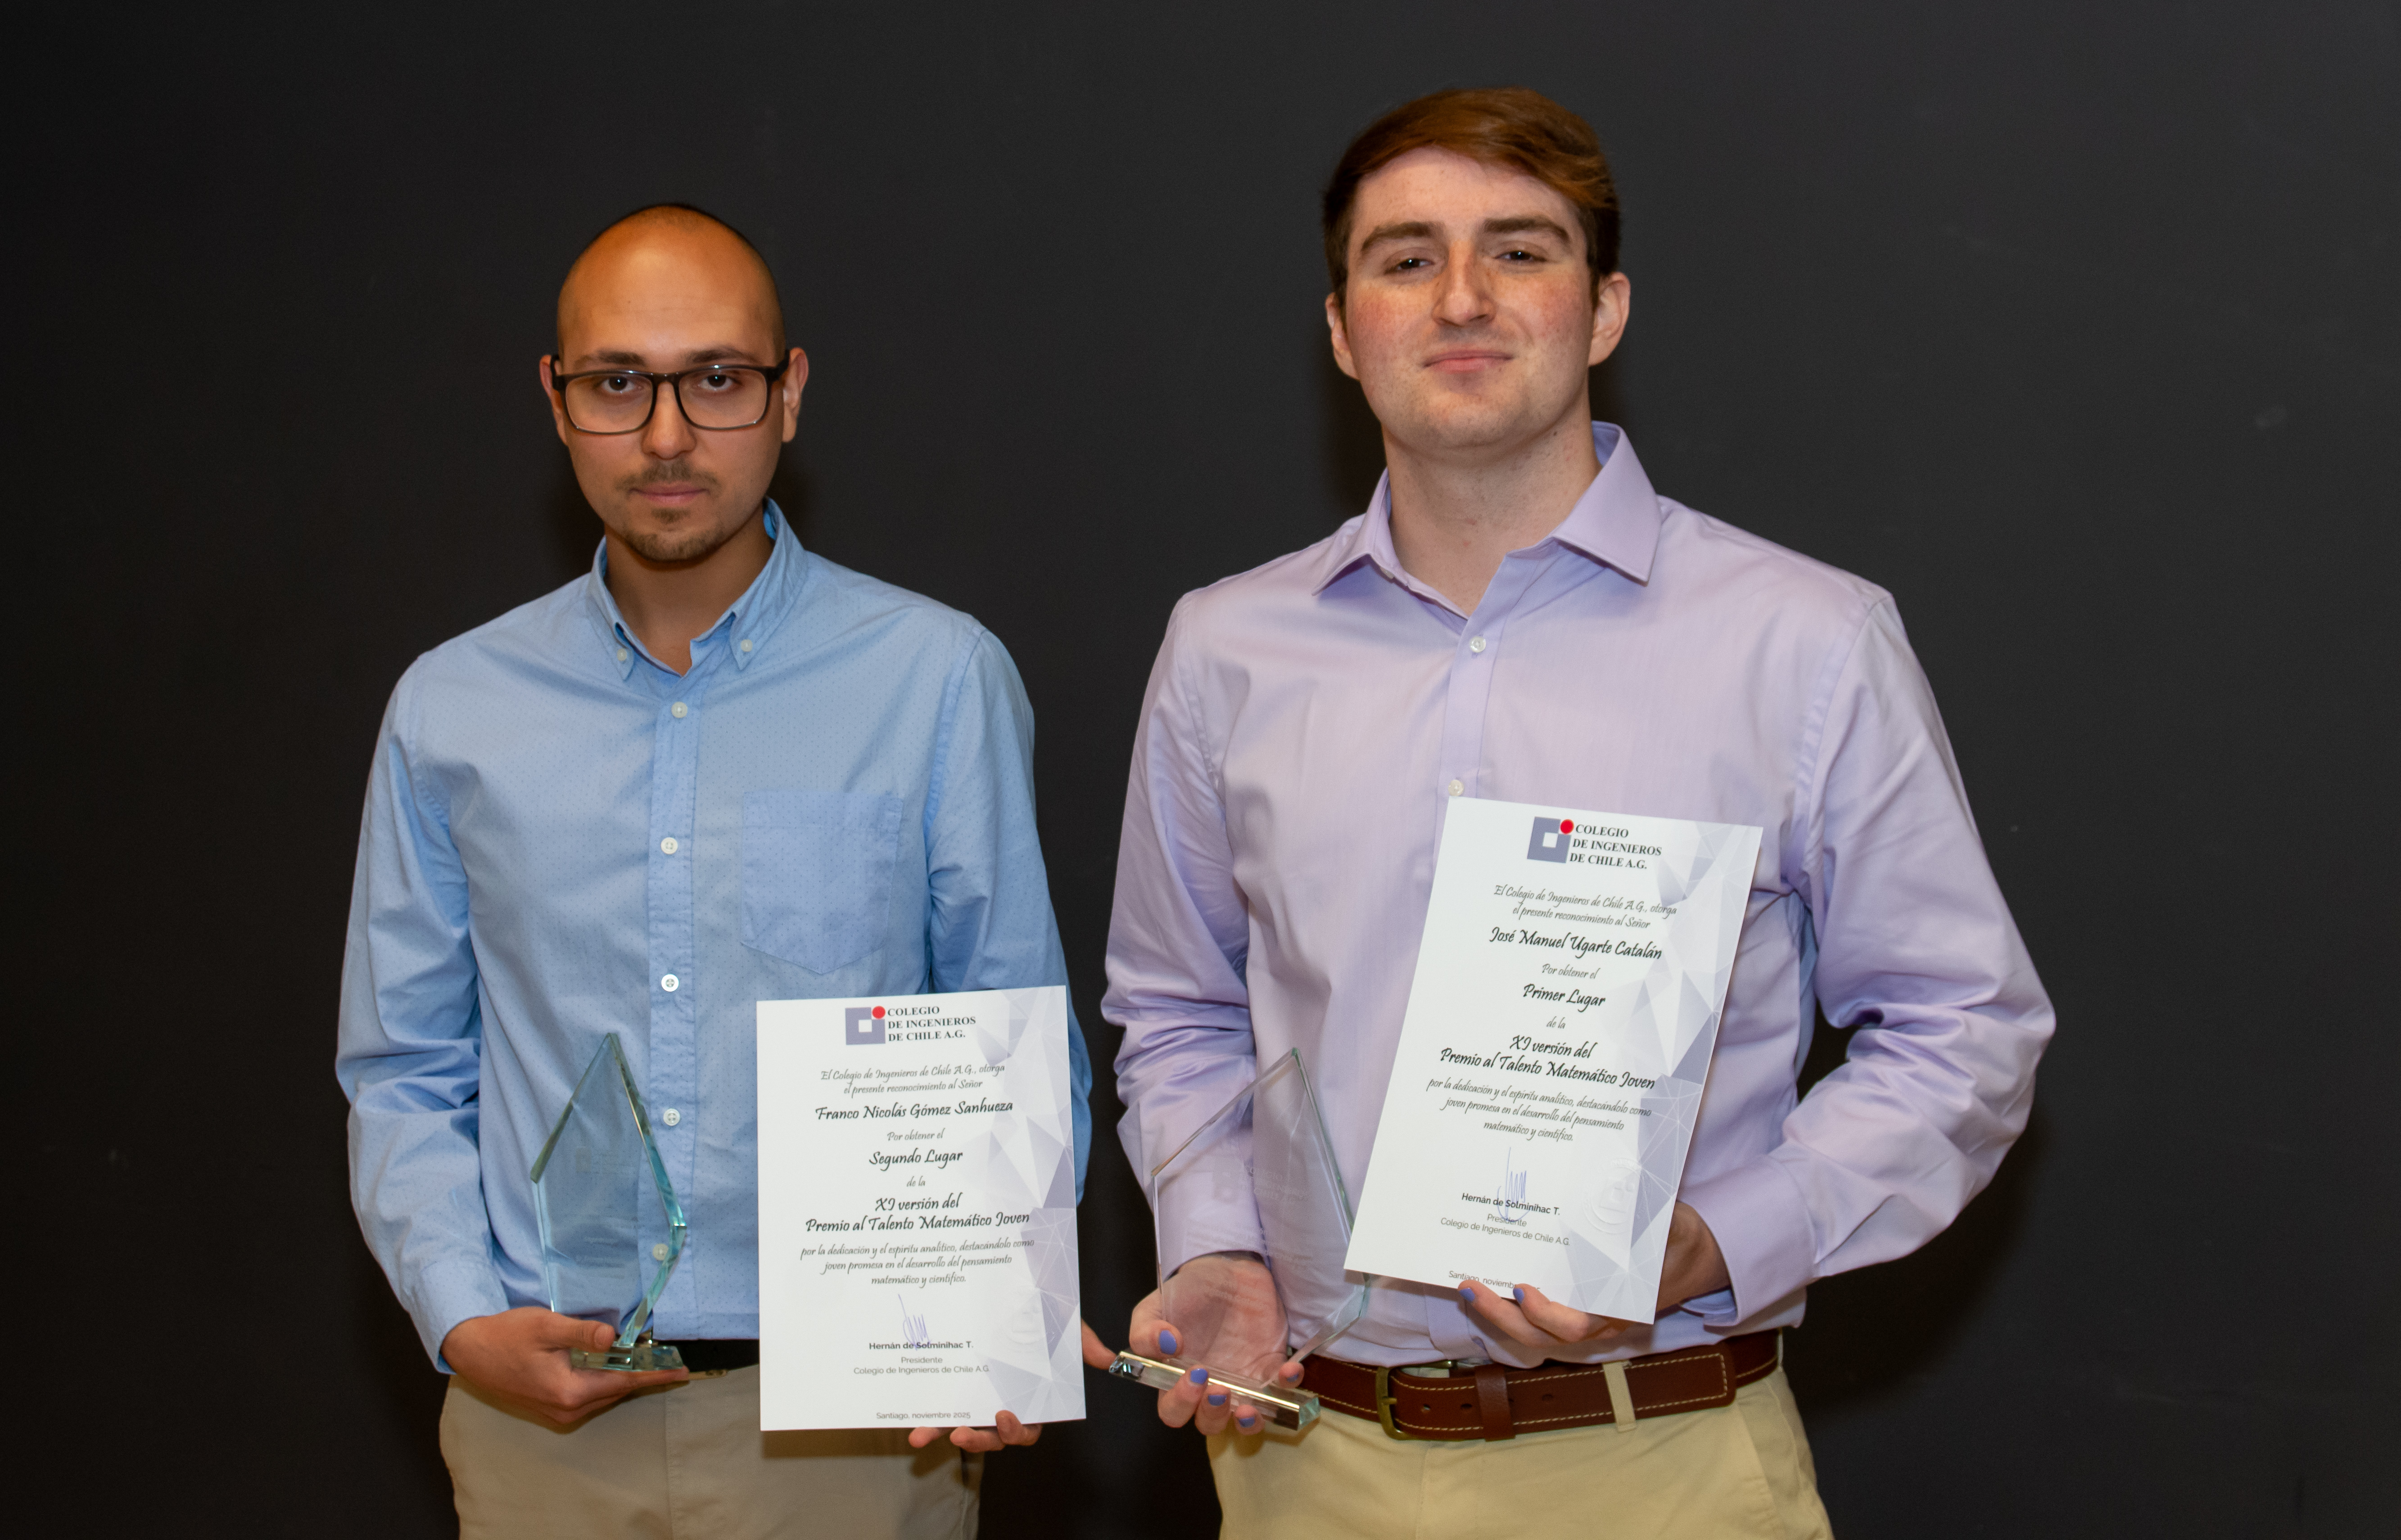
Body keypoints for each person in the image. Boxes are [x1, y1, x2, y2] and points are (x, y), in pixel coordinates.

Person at [1097, 88, 2053, 1538]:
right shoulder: (1227, 649)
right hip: (1306, 1471)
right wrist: (1220, 1246)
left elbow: (1967, 1032)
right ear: (1344, 330)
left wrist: (1704, 1247)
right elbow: (1176, 1012)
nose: (1463, 297)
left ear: (1604, 311)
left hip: (1662, 1465)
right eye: (1405, 258)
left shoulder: (1803, 641)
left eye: (1521, 252)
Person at [337, 203, 1091, 1539]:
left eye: (718, 381)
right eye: (618, 383)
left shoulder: (934, 680)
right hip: (539, 1428)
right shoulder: (450, 708)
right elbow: (404, 1068)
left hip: (861, 1435)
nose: (670, 434)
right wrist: (459, 1320)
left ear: (790, 394)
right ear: (556, 402)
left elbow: (1011, 1033)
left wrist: (995, 1319)